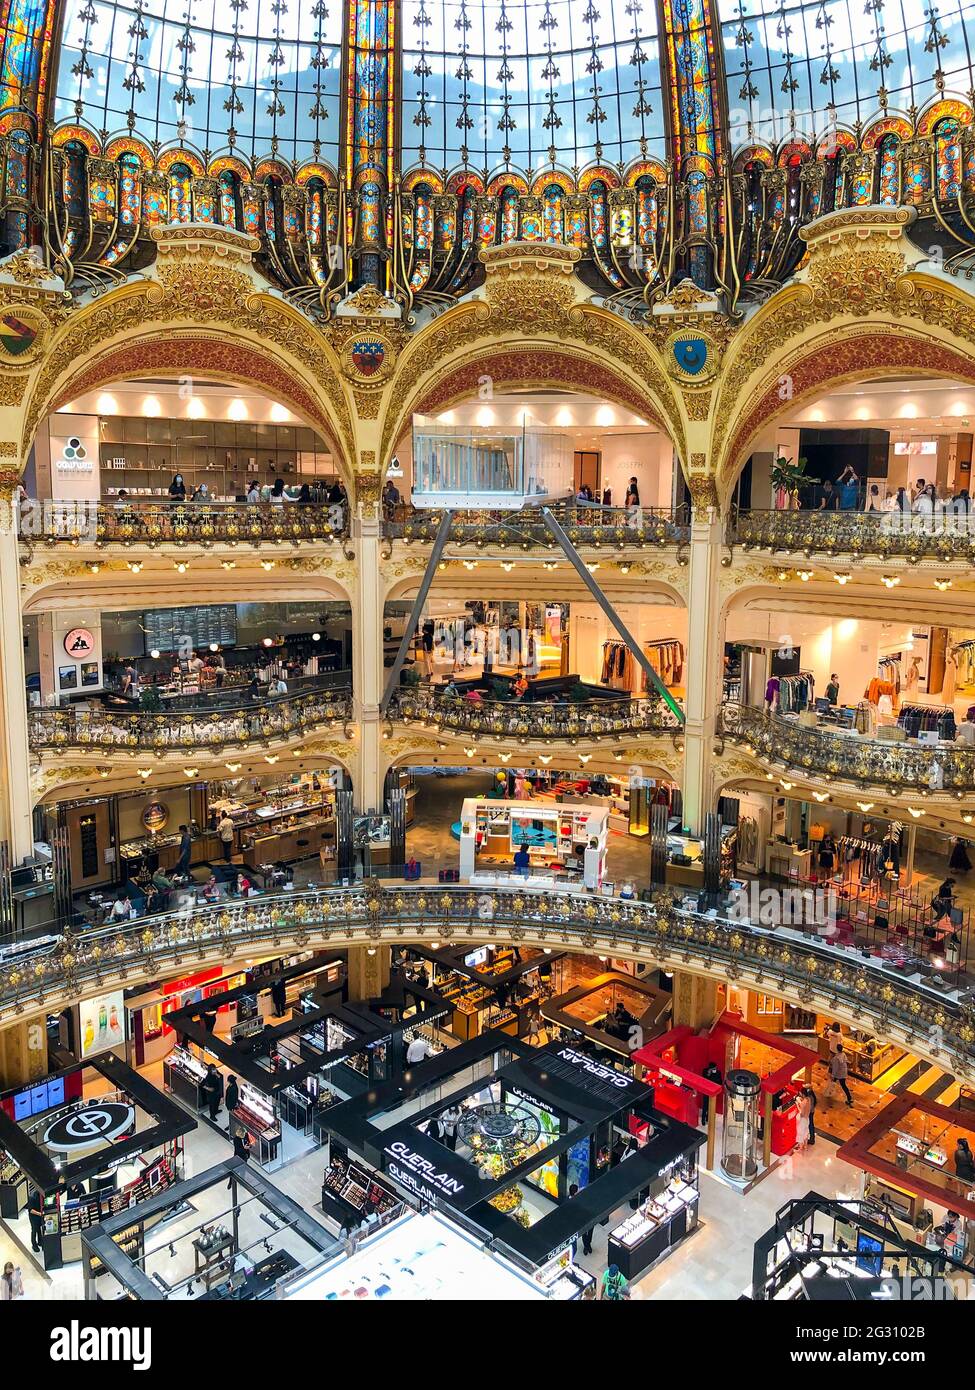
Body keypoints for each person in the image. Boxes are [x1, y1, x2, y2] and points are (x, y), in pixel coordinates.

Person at [27, 1187, 44, 1253]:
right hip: (33, 1216)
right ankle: (34, 1245)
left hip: (39, 1214)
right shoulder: (32, 1196)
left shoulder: (41, 1194)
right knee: (34, 1230)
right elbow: (30, 1210)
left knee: (39, 1229)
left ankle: (40, 1241)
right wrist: (39, 1213)